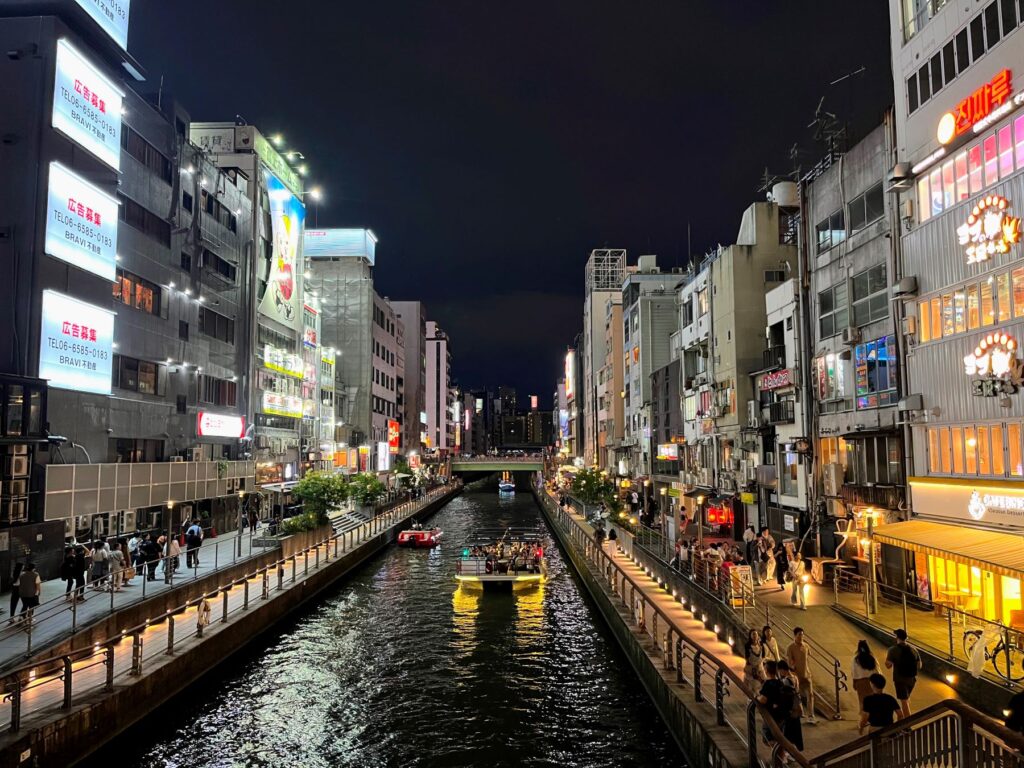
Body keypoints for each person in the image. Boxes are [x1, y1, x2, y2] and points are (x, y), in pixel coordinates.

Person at [885, 628, 922, 718]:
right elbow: (919, 665)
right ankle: (904, 719)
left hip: (900, 679)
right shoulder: (913, 649)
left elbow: (888, 665)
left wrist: (895, 661)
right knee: (906, 699)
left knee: (904, 701)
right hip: (912, 679)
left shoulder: (892, 650)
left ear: (896, 637)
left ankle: (907, 724)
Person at [786, 627, 817, 724]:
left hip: (807, 674)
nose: (801, 637)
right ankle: (800, 712)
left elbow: (808, 658)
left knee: (810, 695)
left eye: (802, 635)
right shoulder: (790, 647)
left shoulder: (806, 646)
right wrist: (792, 669)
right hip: (797, 675)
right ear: (795, 635)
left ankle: (811, 715)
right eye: (799, 635)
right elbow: (789, 662)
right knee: (797, 695)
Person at [776, 660, 805, 752]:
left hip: (790, 707)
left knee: (788, 730)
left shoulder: (785, 681)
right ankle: (795, 748)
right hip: (797, 705)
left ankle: (789, 750)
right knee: (796, 729)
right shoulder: (795, 677)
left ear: (782, 670)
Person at [851, 639, 879, 712]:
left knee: (862, 701)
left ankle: (864, 718)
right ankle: (872, 716)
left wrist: (854, 683)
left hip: (860, 682)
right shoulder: (872, 658)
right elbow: (877, 670)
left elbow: (854, 672)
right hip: (872, 681)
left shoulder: (855, 659)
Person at [789, 546, 807, 610]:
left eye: (800, 555)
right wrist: (792, 574)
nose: (800, 556)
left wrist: (807, 576)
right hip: (795, 578)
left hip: (801, 578)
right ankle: (793, 600)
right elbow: (790, 570)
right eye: (798, 555)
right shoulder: (792, 562)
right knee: (794, 591)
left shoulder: (802, 563)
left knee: (801, 591)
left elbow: (804, 570)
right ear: (795, 556)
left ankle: (803, 605)